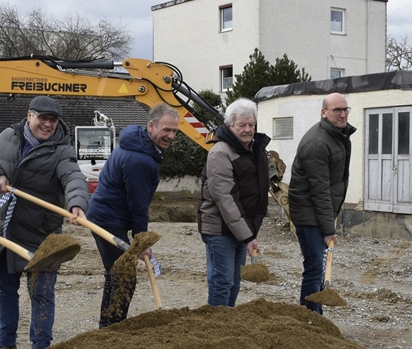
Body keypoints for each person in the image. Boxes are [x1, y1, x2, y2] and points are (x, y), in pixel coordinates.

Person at [0, 95, 89, 349]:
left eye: (53, 120)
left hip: (43, 234)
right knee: (5, 290)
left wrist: (76, 203)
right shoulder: (8, 136)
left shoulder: (60, 150)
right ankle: (6, 346)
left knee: (42, 293)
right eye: (43, 118)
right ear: (30, 116)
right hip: (7, 229)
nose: (48, 125)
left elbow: (73, 176)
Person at [85, 103, 179, 327]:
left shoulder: (137, 143)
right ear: (151, 126)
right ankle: (112, 329)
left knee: (116, 274)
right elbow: (138, 204)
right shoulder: (140, 159)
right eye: (166, 130)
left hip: (105, 215)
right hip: (107, 219)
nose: (171, 136)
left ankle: (107, 327)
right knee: (124, 276)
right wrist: (140, 241)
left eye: (175, 131)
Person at [197, 98, 270, 307]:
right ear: (229, 125)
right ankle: (217, 330)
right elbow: (225, 199)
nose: (248, 129)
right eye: (242, 125)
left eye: (251, 124)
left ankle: (227, 327)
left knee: (234, 283)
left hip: (240, 229)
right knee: (222, 282)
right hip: (219, 229)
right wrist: (248, 236)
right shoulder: (220, 152)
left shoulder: (254, 149)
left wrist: (249, 232)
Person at [288, 92, 356, 315]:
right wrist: (329, 230)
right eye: (337, 110)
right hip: (309, 215)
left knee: (317, 269)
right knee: (314, 268)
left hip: (319, 212)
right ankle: (309, 318)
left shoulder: (337, 136)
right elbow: (320, 191)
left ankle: (314, 317)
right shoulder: (318, 143)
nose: (343, 114)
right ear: (324, 113)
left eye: (345, 109)